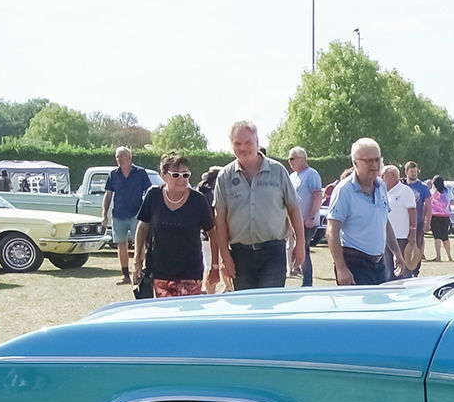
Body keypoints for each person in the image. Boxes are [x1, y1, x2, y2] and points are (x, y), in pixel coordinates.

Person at [212, 121, 305, 290]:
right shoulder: (224, 177)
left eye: (248, 142)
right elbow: (220, 219)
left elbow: (293, 208)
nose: (243, 148)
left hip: (273, 252)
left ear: (257, 141)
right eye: (237, 144)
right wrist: (225, 256)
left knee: (269, 307)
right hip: (240, 255)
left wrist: (300, 243)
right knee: (246, 311)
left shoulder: (278, 171)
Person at [132, 153, 215, 297]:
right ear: (163, 175)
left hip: (190, 273)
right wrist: (137, 260)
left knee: (187, 316)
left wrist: (215, 265)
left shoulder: (198, 200)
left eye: (185, 175)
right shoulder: (154, 196)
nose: (182, 179)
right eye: (176, 175)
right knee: (163, 315)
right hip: (159, 271)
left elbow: (212, 233)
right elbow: (142, 227)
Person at [327, 138, 404, 286]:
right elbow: (332, 230)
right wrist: (341, 268)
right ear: (355, 163)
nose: (374, 165)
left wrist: (397, 253)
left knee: (379, 307)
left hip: (379, 263)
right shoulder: (344, 190)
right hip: (354, 263)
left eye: (377, 160)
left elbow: (384, 222)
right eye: (368, 161)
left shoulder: (381, 186)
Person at [102, 146, 152, 285]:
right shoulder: (113, 174)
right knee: (121, 244)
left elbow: (148, 192)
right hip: (118, 214)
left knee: (140, 244)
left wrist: (150, 211)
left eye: (121, 156)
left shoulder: (140, 173)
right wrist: (104, 215)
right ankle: (125, 275)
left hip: (137, 213)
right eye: (117, 157)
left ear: (129, 158)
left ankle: (139, 272)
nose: (119, 160)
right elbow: (108, 194)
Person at [287, 147, 322, 288]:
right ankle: (305, 279)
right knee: (301, 249)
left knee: (303, 248)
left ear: (302, 158)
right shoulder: (292, 176)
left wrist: (312, 216)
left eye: (292, 158)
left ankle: (307, 282)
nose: (289, 162)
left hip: (307, 222)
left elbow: (317, 195)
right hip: (295, 222)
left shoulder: (311, 174)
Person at [381, 165, 418, 277]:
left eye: (383, 175)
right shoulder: (382, 191)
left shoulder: (405, 190)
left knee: (402, 268)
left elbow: (412, 212)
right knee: (388, 268)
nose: (381, 178)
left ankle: (403, 289)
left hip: (401, 236)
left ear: (392, 175)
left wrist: (412, 232)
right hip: (385, 236)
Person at [404, 161, 430, 274]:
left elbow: (428, 206)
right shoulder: (403, 186)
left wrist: (427, 221)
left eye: (415, 171)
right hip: (404, 222)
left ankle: (415, 270)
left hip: (418, 222)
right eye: (411, 171)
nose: (414, 173)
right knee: (404, 246)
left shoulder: (423, 187)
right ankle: (404, 269)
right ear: (406, 172)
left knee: (417, 246)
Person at [429, 176, 454, 261]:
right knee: (445, 236)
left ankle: (438, 256)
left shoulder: (432, 192)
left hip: (435, 216)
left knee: (437, 236)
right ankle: (449, 256)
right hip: (446, 216)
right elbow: (452, 201)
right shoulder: (447, 191)